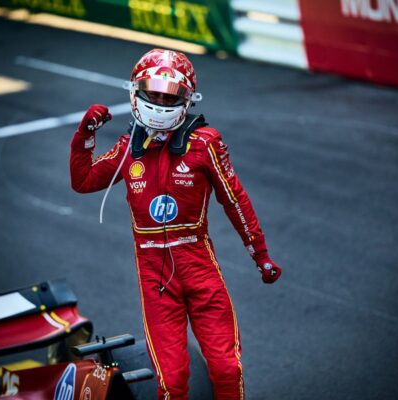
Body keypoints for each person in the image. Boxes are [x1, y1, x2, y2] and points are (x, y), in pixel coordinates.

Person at [70, 48, 282, 400]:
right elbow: (83, 180)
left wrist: (259, 254)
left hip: (199, 264)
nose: (160, 101)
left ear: (187, 99)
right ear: (136, 92)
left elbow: (235, 200)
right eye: (153, 92)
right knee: (172, 383)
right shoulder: (126, 148)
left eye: (169, 95)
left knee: (227, 368)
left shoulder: (205, 143)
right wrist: (85, 135)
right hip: (155, 278)